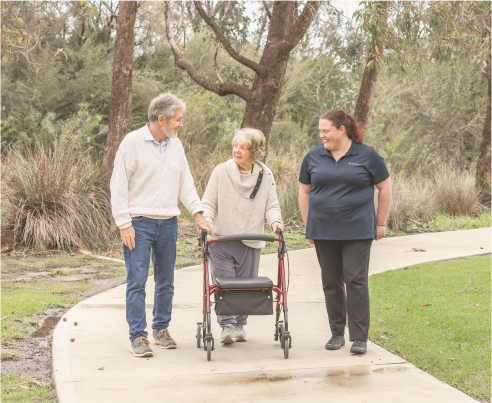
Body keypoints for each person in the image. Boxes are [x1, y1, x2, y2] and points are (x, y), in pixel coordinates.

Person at [110, 93, 213, 358]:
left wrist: (198, 213)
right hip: (139, 224)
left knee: (166, 281)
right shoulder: (132, 143)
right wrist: (124, 223)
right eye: (178, 119)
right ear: (161, 119)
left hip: (168, 223)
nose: (181, 124)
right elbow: (118, 187)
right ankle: (138, 336)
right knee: (137, 281)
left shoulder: (175, 146)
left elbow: (185, 183)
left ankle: (161, 329)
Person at [298, 110, 392, 355]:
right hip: (323, 230)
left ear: (342, 129)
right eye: (320, 131)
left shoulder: (367, 155)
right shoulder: (313, 156)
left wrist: (380, 223)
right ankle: (336, 333)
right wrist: (309, 224)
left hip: (357, 230)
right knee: (331, 281)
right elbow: (304, 192)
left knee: (355, 279)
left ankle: (359, 337)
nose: (322, 135)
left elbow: (385, 187)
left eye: (326, 130)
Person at [201, 128, 284, 344]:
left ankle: (239, 325)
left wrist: (275, 221)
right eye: (235, 146)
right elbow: (209, 202)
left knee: (245, 287)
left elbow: (271, 205)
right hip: (222, 239)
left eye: (243, 147)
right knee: (225, 284)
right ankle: (227, 325)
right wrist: (206, 221)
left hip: (251, 239)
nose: (236, 151)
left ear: (254, 152)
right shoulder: (221, 171)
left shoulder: (265, 175)